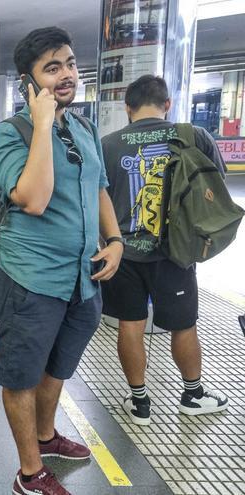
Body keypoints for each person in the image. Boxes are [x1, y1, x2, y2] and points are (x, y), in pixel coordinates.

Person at [0, 27, 123, 495]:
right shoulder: (10, 135)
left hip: (83, 279)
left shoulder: (83, 128)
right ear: (29, 82)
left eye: (69, 63)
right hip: (32, 278)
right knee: (22, 376)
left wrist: (116, 238)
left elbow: (99, 186)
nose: (66, 75)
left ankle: (46, 436)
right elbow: (34, 199)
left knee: (58, 367)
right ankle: (29, 473)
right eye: (52, 68)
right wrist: (41, 124)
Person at [101, 75, 229, 426]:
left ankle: (139, 402)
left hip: (122, 252)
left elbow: (97, 199)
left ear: (128, 108)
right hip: (176, 252)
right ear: (167, 104)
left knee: (130, 325)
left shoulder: (108, 144)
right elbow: (214, 186)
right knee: (184, 326)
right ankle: (192, 395)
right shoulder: (194, 136)